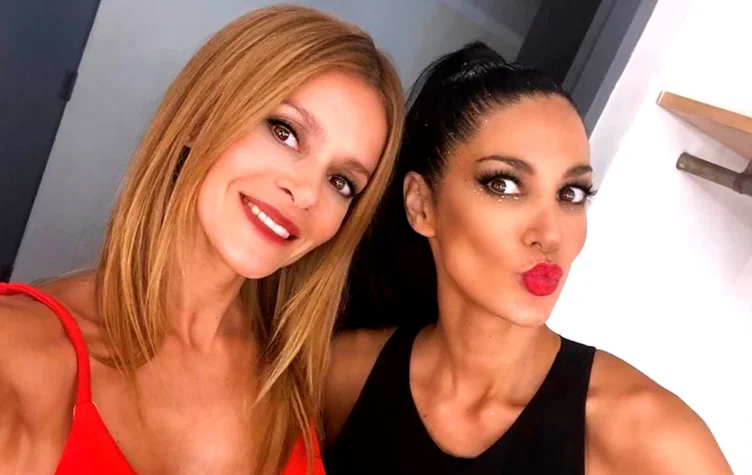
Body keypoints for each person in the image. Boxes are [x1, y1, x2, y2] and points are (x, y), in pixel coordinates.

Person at [0, 5, 403, 474]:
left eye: (341, 182)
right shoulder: (16, 352)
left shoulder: (289, 376)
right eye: (285, 132)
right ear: (201, 117)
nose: (309, 193)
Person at [324, 42, 731, 474]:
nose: (550, 235)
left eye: (570, 194)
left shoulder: (652, 437)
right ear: (421, 205)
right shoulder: (341, 375)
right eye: (504, 185)